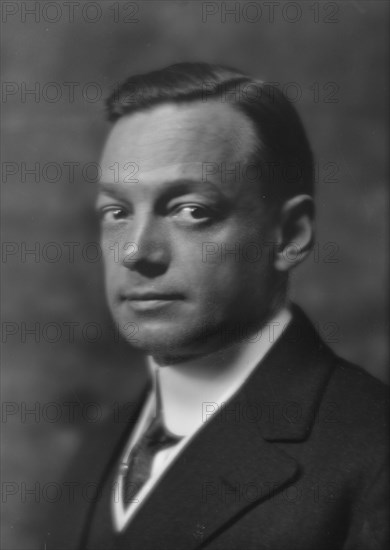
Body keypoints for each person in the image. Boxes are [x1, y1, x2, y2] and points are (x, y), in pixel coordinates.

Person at [47, 63, 388, 550]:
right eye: (117, 212)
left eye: (191, 211)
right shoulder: (102, 443)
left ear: (290, 236)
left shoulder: (372, 454)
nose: (136, 251)